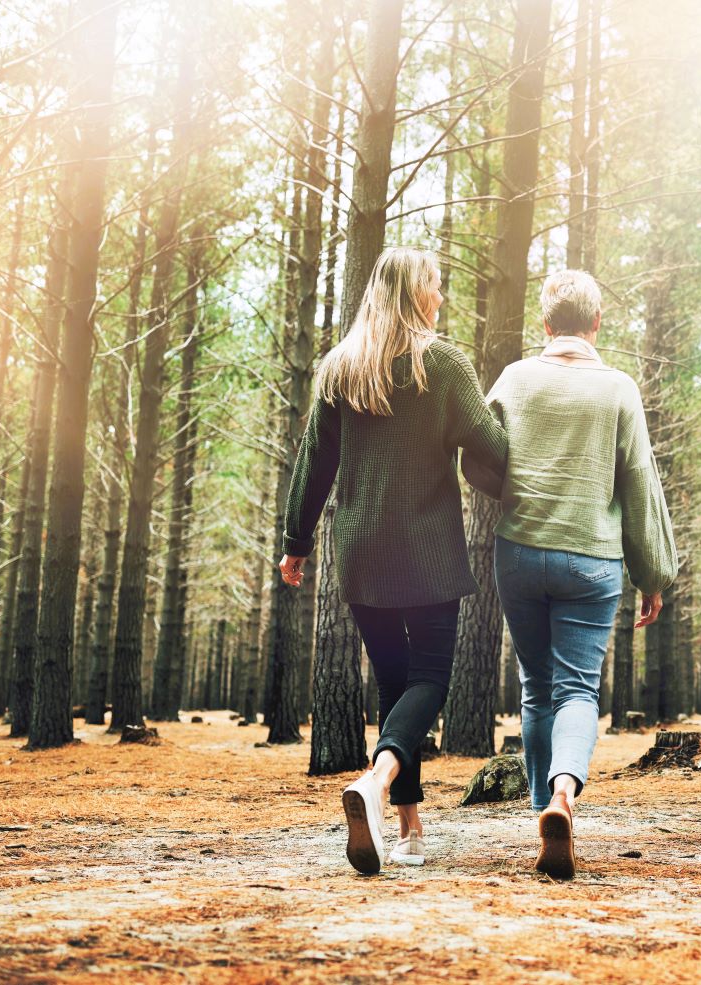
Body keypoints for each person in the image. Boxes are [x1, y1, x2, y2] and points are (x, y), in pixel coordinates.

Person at [278, 247, 508, 876]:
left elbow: (312, 468)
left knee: (393, 681)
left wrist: (296, 543)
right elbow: (494, 445)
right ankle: (378, 786)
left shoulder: (339, 368)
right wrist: (508, 415)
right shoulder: (444, 365)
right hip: (427, 552)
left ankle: (407, 830)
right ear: (414, 295)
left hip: (358, 553)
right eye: (435, 287)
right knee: (430, 679)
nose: (442, 298)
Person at [474, 270, 677, 880]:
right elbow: (638, 483)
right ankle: (564, 794)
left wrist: (506, 491)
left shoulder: (514, 378)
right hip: (591, 558)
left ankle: (542, 810)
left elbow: (478, 455)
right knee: (578, 690)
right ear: (596, 326)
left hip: (519, 548)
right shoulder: (618, 388)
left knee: (537, 689)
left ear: (545, 324)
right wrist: (653, 573)